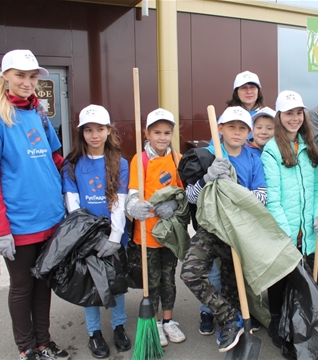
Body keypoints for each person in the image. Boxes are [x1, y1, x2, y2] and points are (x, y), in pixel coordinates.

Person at [0, 49, 69, 360]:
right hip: (19, 221)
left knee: (43, 284)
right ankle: (26, 348)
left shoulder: (39, 112)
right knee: (23, 286)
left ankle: (44, 342)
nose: (27, 82)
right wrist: (0, 230)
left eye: (31, 77)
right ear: (4, 77)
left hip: (50, 216)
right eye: (20, 76)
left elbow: (56, 160)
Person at [179, 106, 267, 353]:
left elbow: (262, 195)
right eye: (231, 127)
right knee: (190, 272)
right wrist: (206, 178)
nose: (237, 132)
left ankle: (232, 324)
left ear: (248, 132)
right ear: (220, 129)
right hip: (211, 229)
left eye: (242, 128)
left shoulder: (252, 158)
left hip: (240, 233)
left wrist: (236, 189)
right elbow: (191, 198)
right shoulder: (206, 155)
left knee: (233, 287)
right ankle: (228, 317)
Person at [62, 104, 131, 358]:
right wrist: (85, 238)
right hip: (85, 237)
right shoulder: (72, 164)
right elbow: (73, 205)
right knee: (89, 285)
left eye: (100, 129)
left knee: (116, 283)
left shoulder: (120, 163)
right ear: (81, 132)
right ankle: (94, 332)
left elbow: (119, 202)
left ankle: (119, 326)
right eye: (88, 130)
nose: (94, 135)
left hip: (114, 234)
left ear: (108, 130)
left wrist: (114, 237)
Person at [260, 91, 318, 347]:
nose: (295, 118)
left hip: (306, 229)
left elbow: (315, 188)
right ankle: (276, 318)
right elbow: (273, 198)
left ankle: (298, 317)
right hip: (284, 229)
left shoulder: (309, 146)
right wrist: (286, 233)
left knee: (302, 276)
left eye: (299, 113)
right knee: (280, 277)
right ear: (279, 116)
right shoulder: (272, 150)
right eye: (289, 113)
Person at [125, 108, 186, 347]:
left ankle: (169, 320)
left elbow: (182, 193)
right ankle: (156, 323)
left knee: (169, 278)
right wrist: (133, 208)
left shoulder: (176, 159)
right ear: (147, 133)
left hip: (169, 233)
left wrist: (173, 203)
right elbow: (131, 193)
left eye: (167, 132)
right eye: (157, 132)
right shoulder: (139, 160)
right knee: (152, 280)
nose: (162, 137)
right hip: (146, 234)